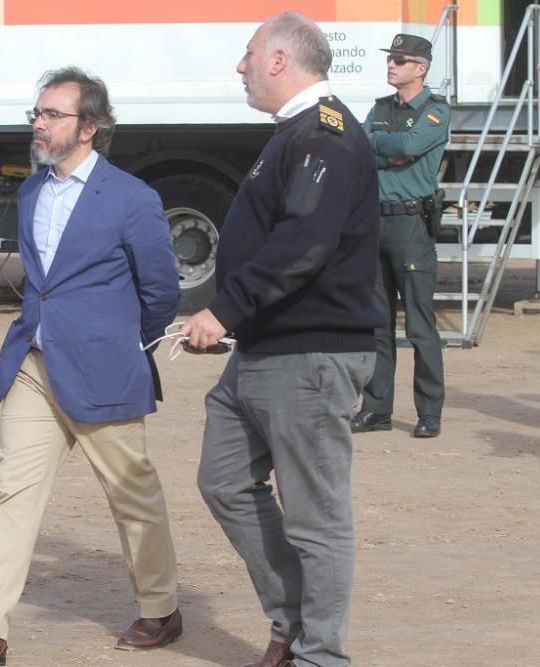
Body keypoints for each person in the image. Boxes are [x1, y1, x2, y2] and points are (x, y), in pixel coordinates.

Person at [0, 67, 183, 665]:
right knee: (13, 491)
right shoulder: (33, 190)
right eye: (36, 114)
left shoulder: (132, 198)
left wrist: (118, 345)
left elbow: (161, 294)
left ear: (88, 127)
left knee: (131, 493)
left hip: (104, 369)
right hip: (34, 365)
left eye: (52, 115)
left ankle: (160, 609)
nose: (38, 124)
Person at [180, 13, 382, 666]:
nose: (239, 67)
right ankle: (292, 623)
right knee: (223, 479)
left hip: (309, 353)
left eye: (247, 55)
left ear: (278, 60)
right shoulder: (291, 134)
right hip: (266, 350)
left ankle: (320, 653)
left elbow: (306, 241)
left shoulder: (327, 135)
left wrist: (225, 308)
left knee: (316, 518)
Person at [350, 34, 448, 439]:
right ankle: (377, 409)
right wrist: (389, 151)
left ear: (421, 68)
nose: (391, 64)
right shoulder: (379, 107)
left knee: (420, 327)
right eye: (390, 58)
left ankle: (429, 413)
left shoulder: (435, 110)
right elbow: (356, 145)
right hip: (375, 223)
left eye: (400, 60)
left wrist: (385, 147)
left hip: (409, 225)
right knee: (377, 323)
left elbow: (411, 145)